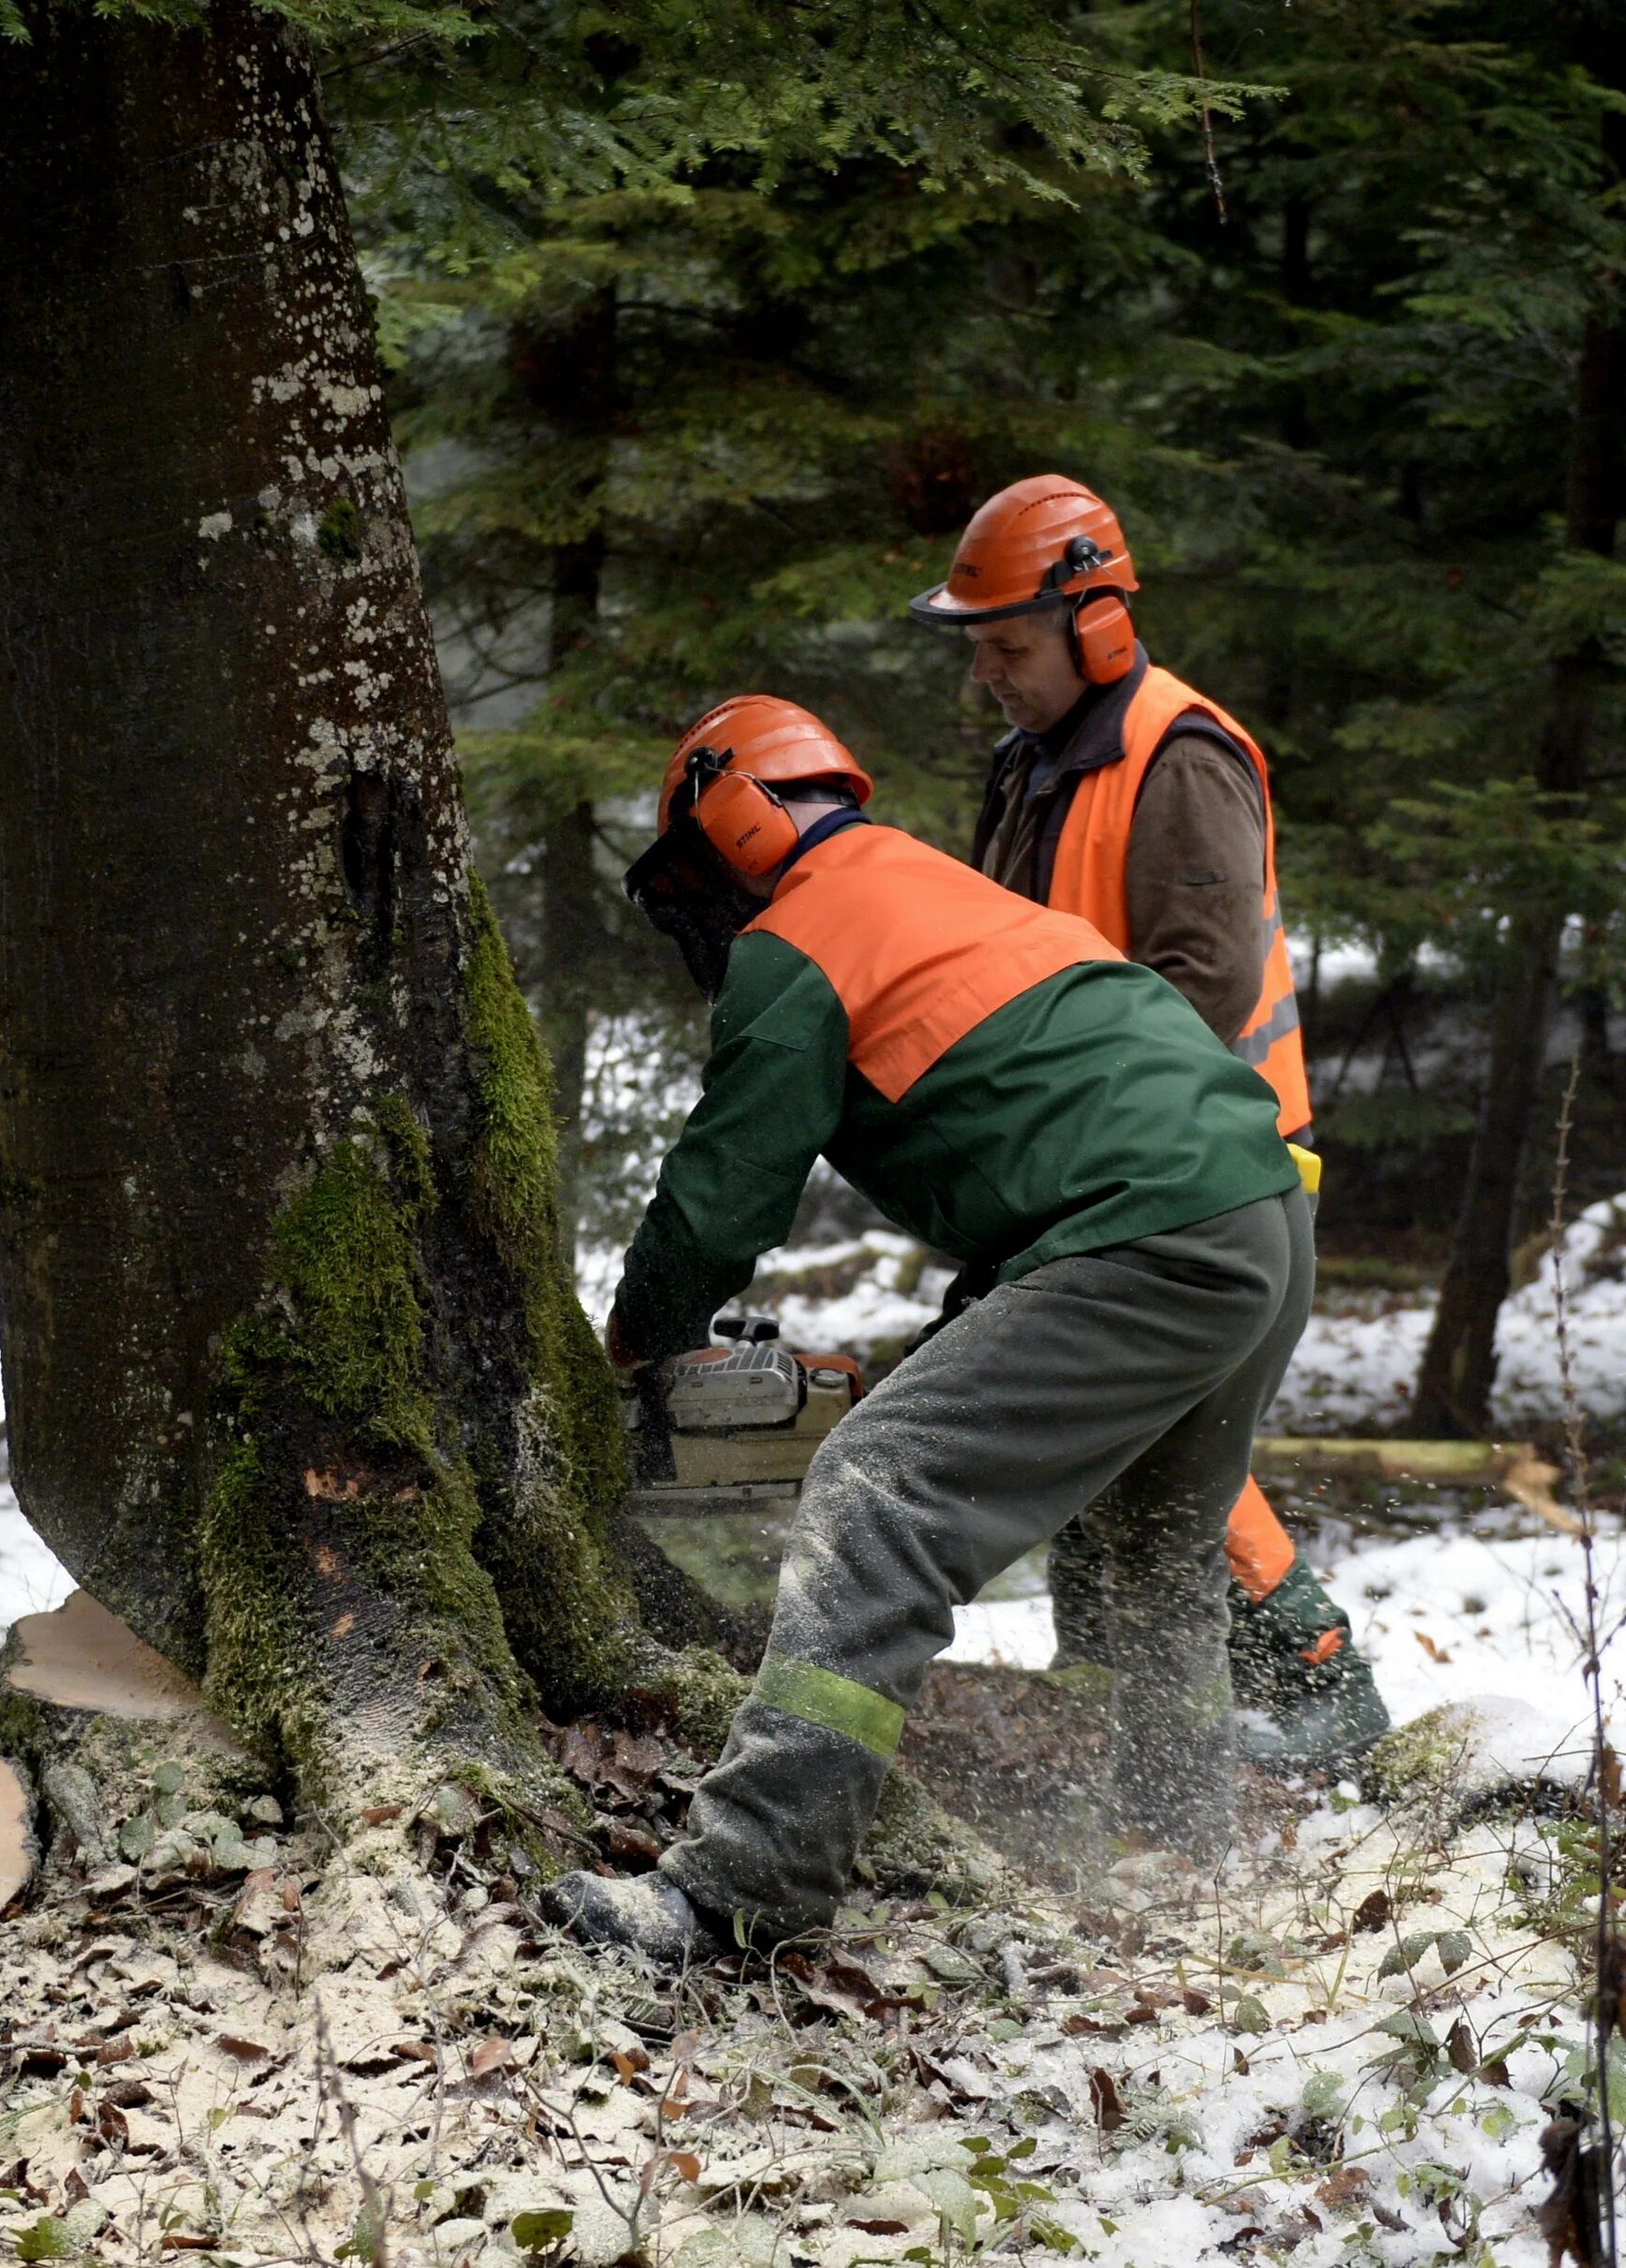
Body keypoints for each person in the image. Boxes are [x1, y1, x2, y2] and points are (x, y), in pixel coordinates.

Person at [542, 695, 1314, 1962]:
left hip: (1152, 1231)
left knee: (877, 1490)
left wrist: (638, 1340)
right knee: (1164, 1547)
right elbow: (1057, 1130)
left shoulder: (801, 938)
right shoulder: (935, 888)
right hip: (1260, 1219)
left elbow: (723, 1195)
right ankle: (1183, 1859)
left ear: (739, 819)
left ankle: (745, 1884)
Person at [908, 473, 1388, 1770]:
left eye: (1008, 647)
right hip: (1104, 1166)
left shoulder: (1178, 757)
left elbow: (1203, 979)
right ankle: (1127, 1729)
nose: (988, 677)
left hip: (1217, 1160)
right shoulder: (1037, 765)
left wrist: (1058, 1105)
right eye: (981, 651)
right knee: (1119, 1461)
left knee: (1172, 1456)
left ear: (1097, 624)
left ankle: (1321, 1687)